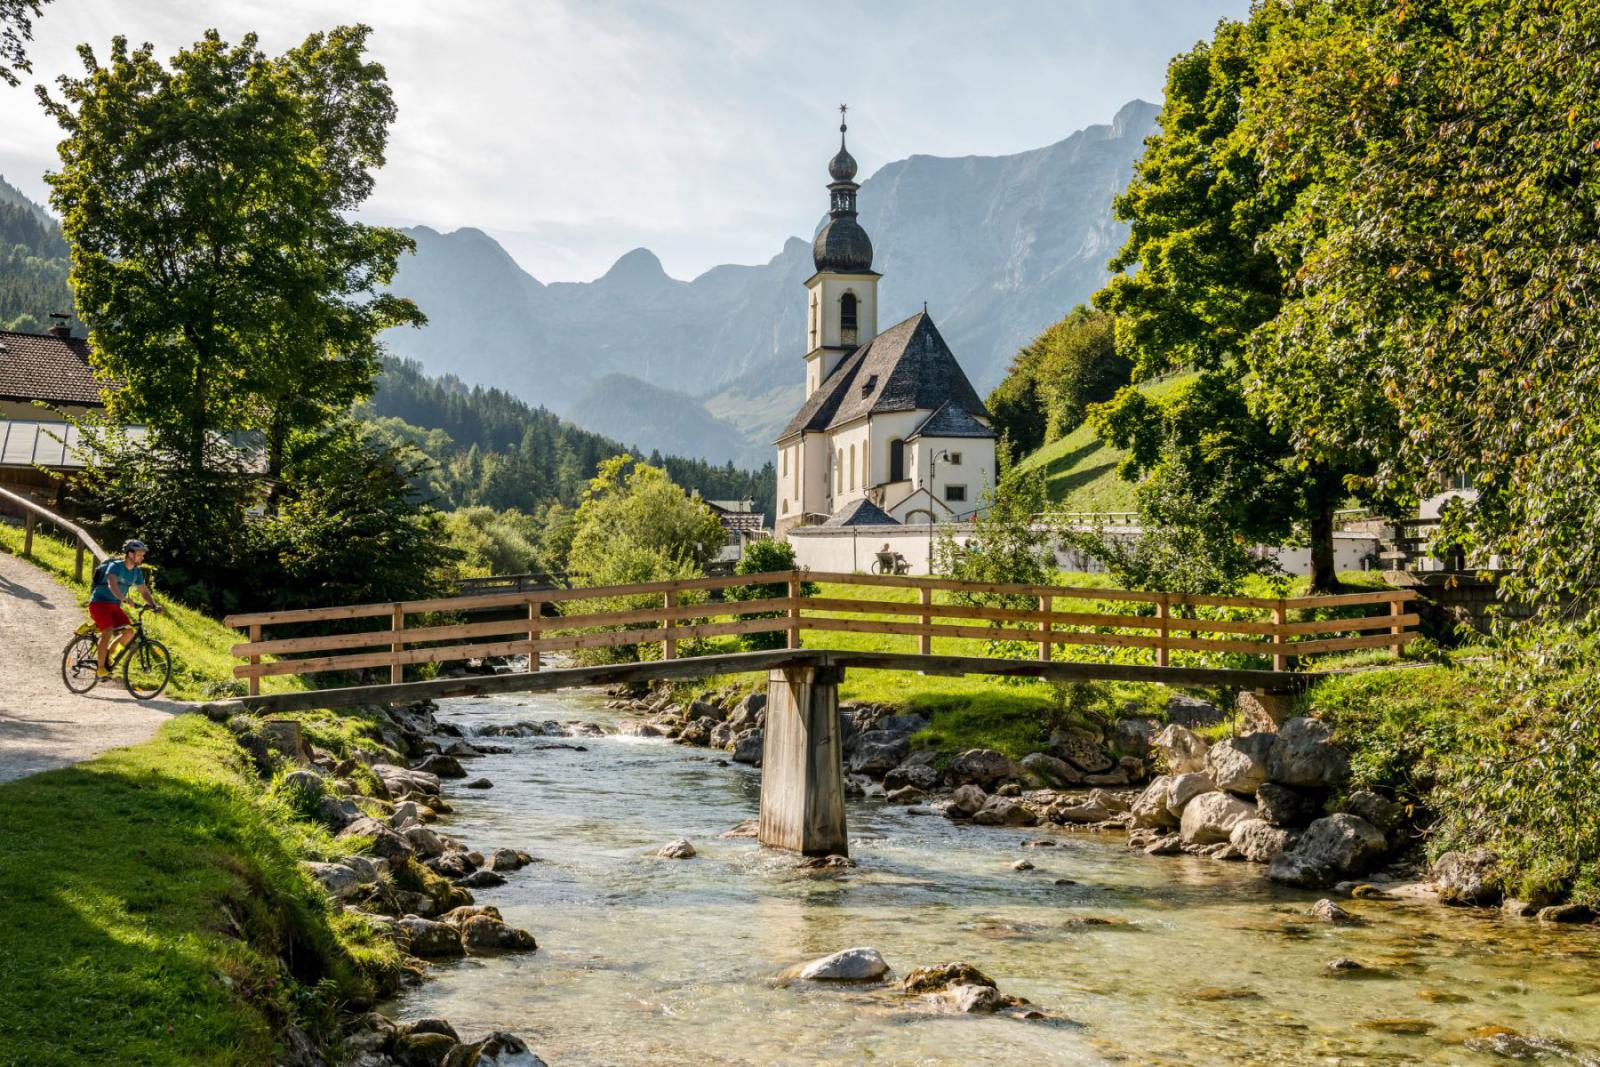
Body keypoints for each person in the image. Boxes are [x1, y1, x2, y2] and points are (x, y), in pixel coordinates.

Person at [89, 538, 162, 681]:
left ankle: (107, 656)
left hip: (114, 606)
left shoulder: (136, 572)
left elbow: (144, 591)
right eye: (140, 554)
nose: (143, 556)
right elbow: (112, 584)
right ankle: (100, 669)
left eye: (142, 554)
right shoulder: (115, 566)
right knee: (108, 630)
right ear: (130, 554)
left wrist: (153, 605)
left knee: (129, 632)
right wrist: (124, 599)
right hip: (98, 603)